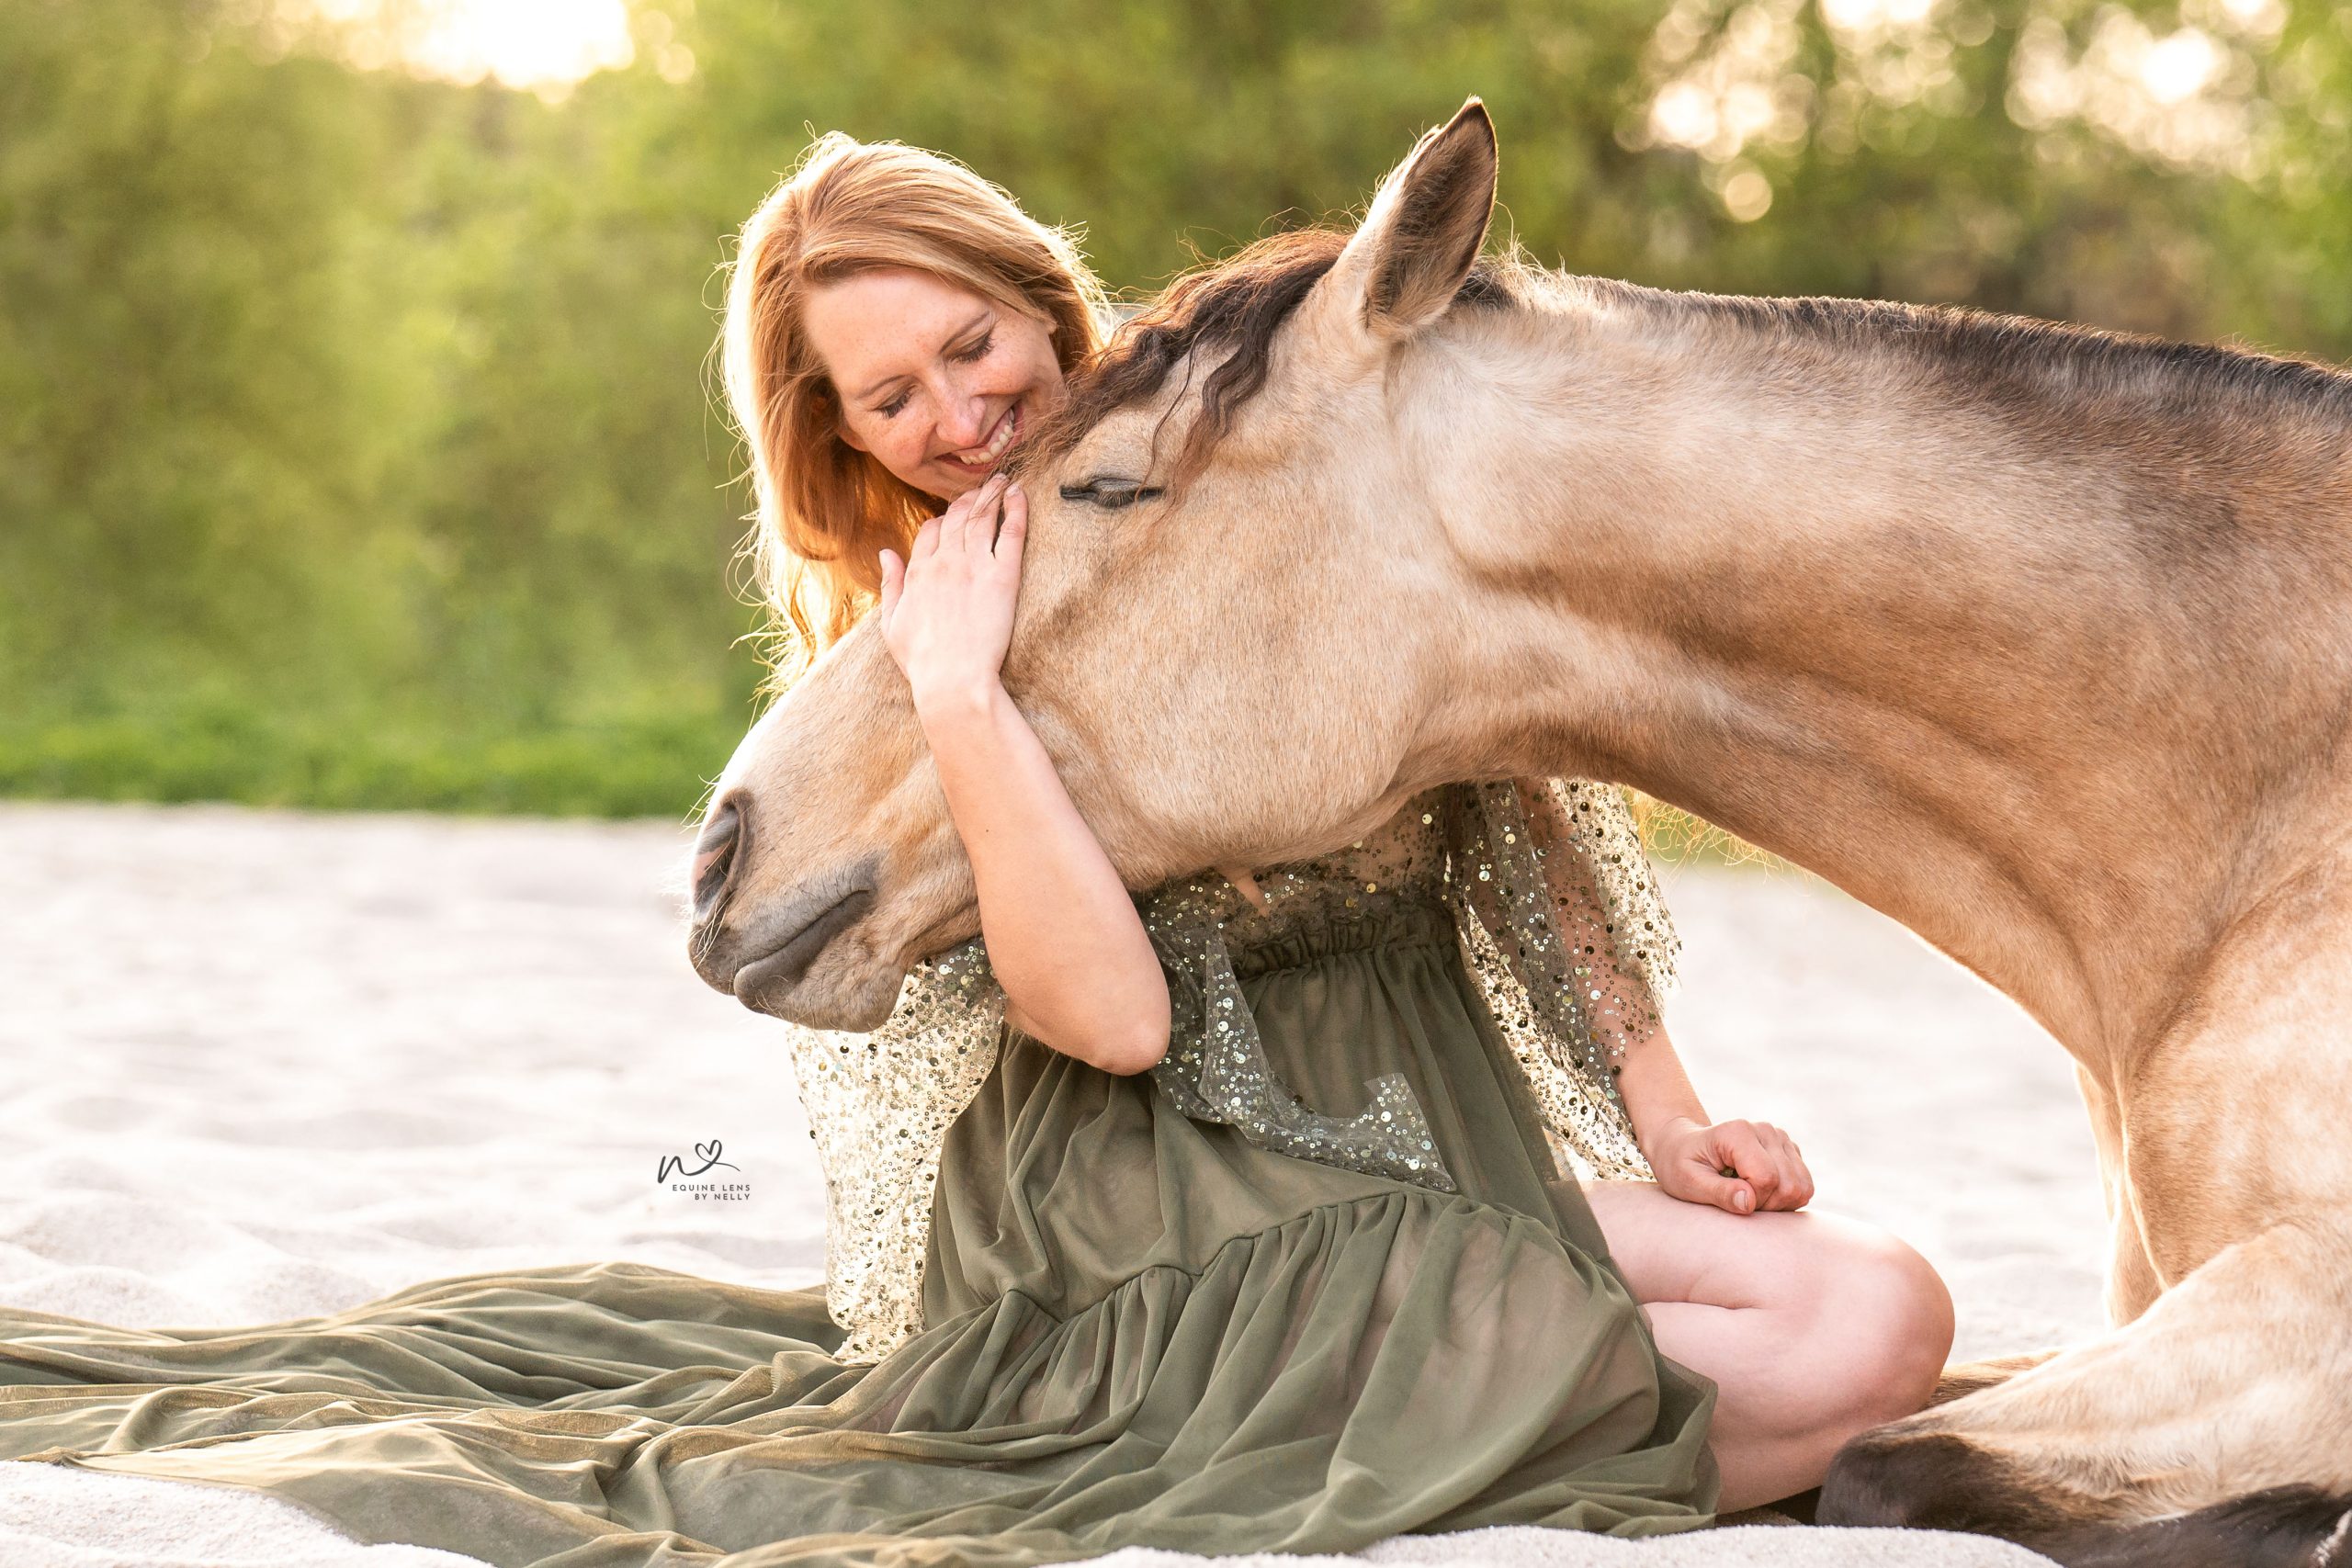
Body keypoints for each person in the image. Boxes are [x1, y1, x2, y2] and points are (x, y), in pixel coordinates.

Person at [0, 134, 1952, 1568]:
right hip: (1170, 1190)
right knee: (1851, 1336)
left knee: (1873, 1306)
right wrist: (956, 693)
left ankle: (1427, 1426)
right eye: (891, 395)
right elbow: (1104, 1017)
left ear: (1038, 296)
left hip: (1420, 1119)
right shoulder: (918, 640)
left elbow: (1506, 806)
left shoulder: (1236, 469)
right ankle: (1379, 1423)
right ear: (844, 432)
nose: (955, 411)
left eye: (969, 342)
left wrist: (1667, 1113)